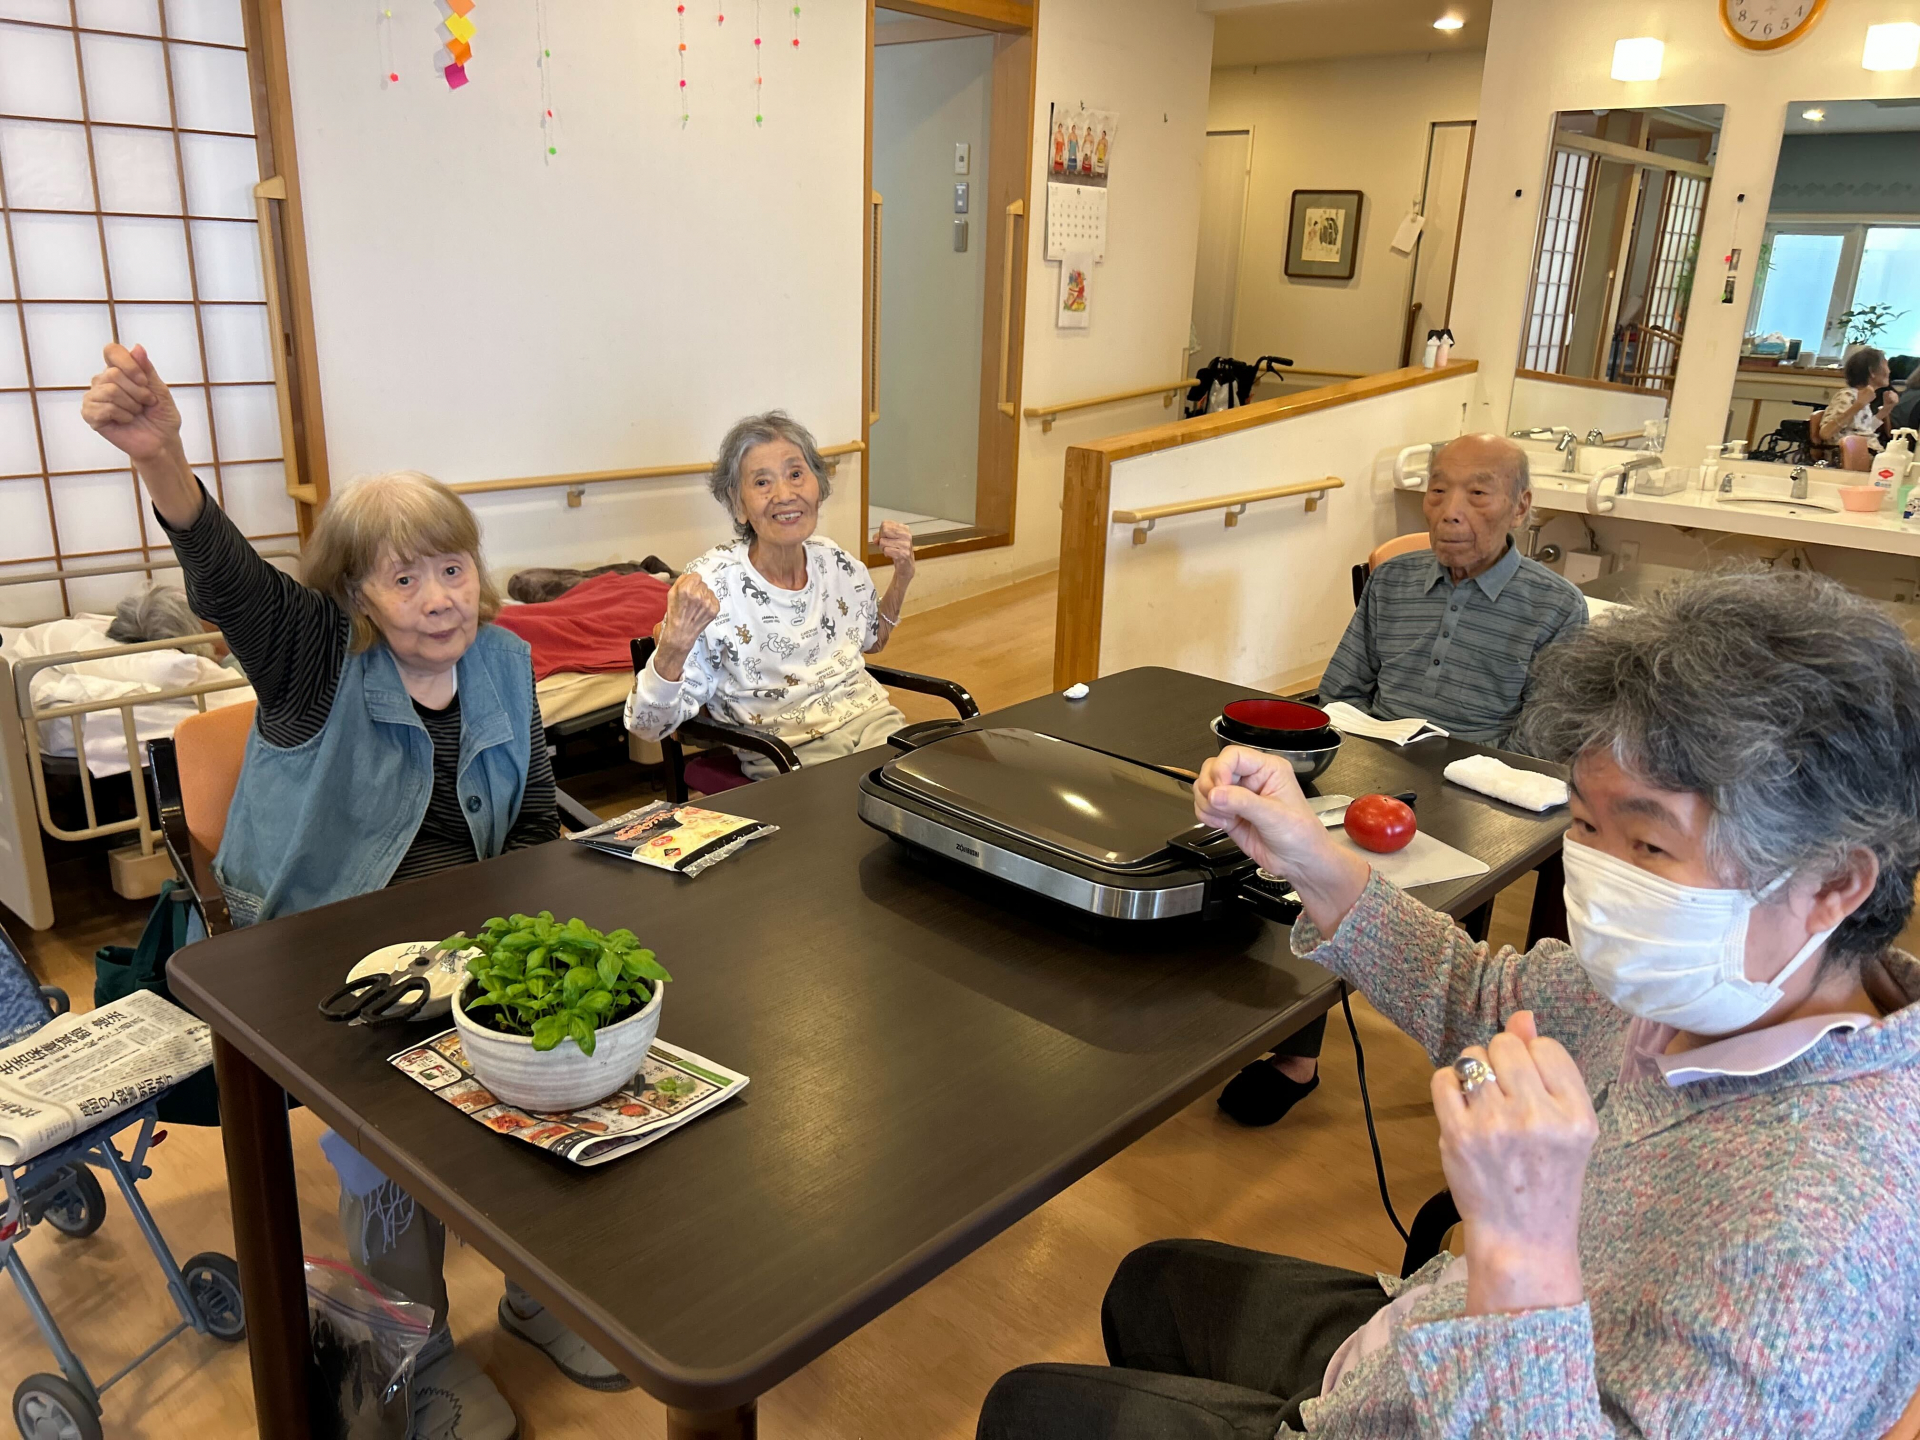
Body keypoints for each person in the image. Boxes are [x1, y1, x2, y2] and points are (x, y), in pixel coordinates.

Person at [978, 568, 1920, 1440]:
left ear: (1834, 883)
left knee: (1031, 1411)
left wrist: (1520, 1254)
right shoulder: (1710, 984)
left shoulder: (1814, 1241)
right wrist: (1310, 855)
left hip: (1476, 1383)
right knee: (1151, 1286)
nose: (1599, 881)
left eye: (1648, 846)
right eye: (1585, 825)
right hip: (1422, 1338)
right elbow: (1479, 996)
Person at [81, 343, 600, 1440]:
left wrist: (537, 936)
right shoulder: (315, 656)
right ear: (355, 593)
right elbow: (227, 575)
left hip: (474, 938)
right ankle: (415, 1356)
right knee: (393, 1142)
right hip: (329, 952)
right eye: (403, 578)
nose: (438, 598)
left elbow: (533, 809)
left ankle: (539, 1294)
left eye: (451, 568)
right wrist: (162, 456)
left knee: (566, 1069)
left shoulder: (503, 659)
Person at [1219, 433, 1586, 1129]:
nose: (1451, 510)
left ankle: (1483, 1053)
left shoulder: (1557, 607)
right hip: (1374, 768)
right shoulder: (1392, 582)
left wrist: (1456, 778)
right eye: (1438, 490)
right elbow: (1340, 692)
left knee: (1364, 872)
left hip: (1481, 790)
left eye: (1477, 493)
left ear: (1521, 507)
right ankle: (1295, 1052)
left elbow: (1541, 741)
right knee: (1282, 858)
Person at [625, 411, 916, 773]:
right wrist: (674, 645)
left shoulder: (836, 561)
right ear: (738, 504)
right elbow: (648, 726)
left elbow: (874, 640)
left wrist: (903, 575)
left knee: (930, 792)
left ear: (818, 486)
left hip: (875, 724)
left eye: (796, 474)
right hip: (790, 754)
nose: (784, 495)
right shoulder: (713, 585)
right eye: (762, 482)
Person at [1816, 345, 1896, 469]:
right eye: (1886, 365)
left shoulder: (1862, 398)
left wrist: (1886, 409)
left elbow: (1863, 430)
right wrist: (1858, 405)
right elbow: (1826, 433)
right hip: (1852, 458)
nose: (1889, 371)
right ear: (1872, 372)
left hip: (1869, 455)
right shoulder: (1847, 396)